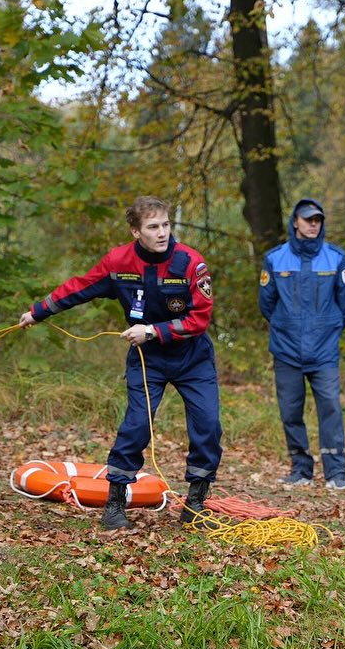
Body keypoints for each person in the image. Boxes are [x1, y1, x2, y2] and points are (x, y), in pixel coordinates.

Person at [19, 196, 222, 530]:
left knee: (208, 426)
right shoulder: (119, 262)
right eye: (153, 227)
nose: (162, 233)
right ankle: (115, 504)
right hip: (147, 360)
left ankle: (196, 502)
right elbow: (80, 287)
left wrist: (154, 330)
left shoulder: (189, 262)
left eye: (166, 225)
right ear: (135, 231)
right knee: (137, 425)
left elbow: (199, 319)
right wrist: (39, 312)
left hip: (192, 358)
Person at [259, 198, 345, 490]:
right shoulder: (275, 258)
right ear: (296, 223)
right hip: (286, 350)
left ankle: (336, 474)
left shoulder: (335, 258)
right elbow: (266, 303)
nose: (313, 224)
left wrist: (327, 329)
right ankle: (301, 470)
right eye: (308, 219)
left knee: (331, 408)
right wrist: (286, 326)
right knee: (290, 411)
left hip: (324, 351)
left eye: (317, 220)